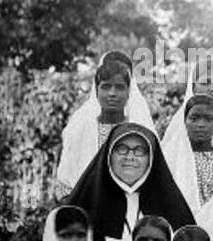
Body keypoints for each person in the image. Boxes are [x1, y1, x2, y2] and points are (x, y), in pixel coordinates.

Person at [65, 122, 195, 241]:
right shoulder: (83, 204)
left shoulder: (173, 207)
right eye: (122, 149)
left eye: (140, 150)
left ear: (151, 158)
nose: (130, 157)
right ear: (109, 154)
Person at [56, 51, 155, 195]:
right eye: (106, 86)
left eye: (120, 86)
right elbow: (67, 176)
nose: (112, 93)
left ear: (130, 88)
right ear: (97, 88)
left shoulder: (140, 126)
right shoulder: (80, 125)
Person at [163, 94, 213, 211]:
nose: (201, 125)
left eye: (208, 119)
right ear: (185, 121)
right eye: (194, 118)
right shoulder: (170, 158)